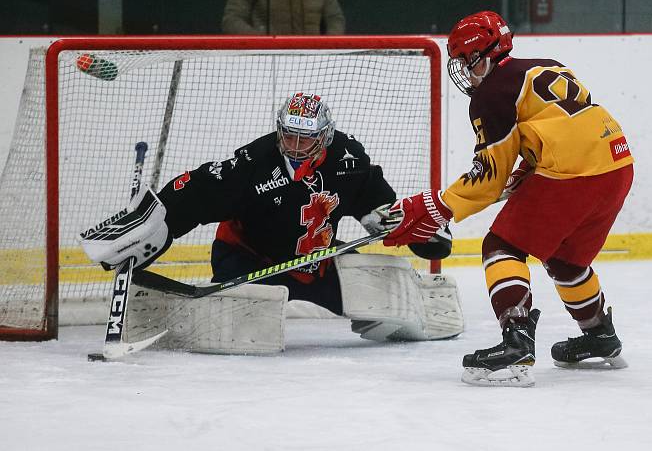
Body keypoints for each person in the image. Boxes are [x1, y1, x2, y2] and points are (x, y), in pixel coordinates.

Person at [81, 93, 462, 354]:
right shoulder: (254, 162)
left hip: (314, 265)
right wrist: (154, 223)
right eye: (289, 136)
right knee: (255, 319)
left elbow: (374, 199)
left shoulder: (348, 159)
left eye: (304, 139)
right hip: (247, 261)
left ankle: (420, 300)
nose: (294, 146)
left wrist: (407, 224)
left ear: (324, 137)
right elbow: (198, 191)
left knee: (387, 308)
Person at [383, 11, 634, 387]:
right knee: (566, 259)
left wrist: (433, 207)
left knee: (502, 246)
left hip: (572, 173)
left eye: (466, 63)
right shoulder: (547, 66)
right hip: (617, 164)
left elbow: (487, 179)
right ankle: (600, 336)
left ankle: (516, 342)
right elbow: (568, 123)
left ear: (481, 56)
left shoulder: (492, 94)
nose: (466, 74)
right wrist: (532, 168)